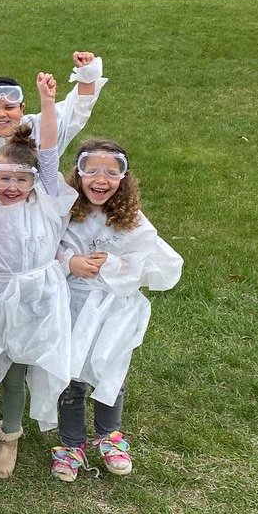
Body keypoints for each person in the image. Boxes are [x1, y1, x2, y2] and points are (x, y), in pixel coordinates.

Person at [52, 140, 183, 480]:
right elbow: (43, 250)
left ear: (123, 179)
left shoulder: (131, 220)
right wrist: (70, 261)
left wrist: (114, 264)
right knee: (72, 375)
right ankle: (71, 444)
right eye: (91, 170)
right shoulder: (66, 212)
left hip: (113, 309)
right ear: (78, 174)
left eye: (112, 172)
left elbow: (157, 262)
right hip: (73, 304)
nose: (101, 179)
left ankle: (109, 436)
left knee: (111, 371)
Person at [0, 74, 78, 477]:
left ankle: (8, 437)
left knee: (18, 367)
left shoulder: (47, 200)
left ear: (35, 182)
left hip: (36, 296)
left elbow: (47, 150)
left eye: (21, 180)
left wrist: (47, 101)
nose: (11, 187)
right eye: (3, 179)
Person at [0, 52, 106, 190]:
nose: (1, 114)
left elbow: (75, 112)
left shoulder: (40, 128)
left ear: (22, 108)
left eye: (9, 107)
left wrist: (87, 73)